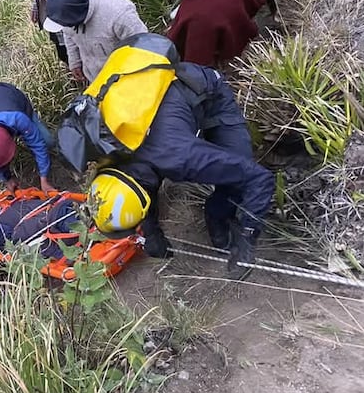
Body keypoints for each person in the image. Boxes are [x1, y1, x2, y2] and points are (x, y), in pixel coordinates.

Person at [82, 61, 274, 270]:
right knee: (147, 170)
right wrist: (151, 234)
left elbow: (259, 178)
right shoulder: (109, 157)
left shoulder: (182, 159)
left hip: (206, 93)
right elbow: (141, 190)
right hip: (161, 102)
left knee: (238, 177)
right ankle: (214, 218)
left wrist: (247, 239)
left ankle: (216, 213)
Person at [42, 0, 148, 83]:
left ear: (76, 18)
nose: (64, 26)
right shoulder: (67, 14)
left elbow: (144, 47)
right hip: (96, 81)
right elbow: (68, 34)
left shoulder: (119, 14)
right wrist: (75, 63)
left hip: (128, 81)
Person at [0, 83, 57, 194]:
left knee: (47, 141)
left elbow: (38, 145)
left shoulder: (18, 118)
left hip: (7, 94)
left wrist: (44, 179)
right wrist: (7, 179)